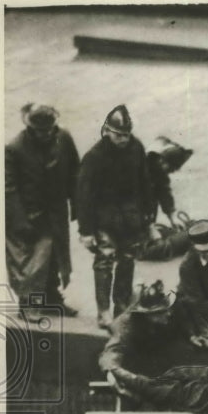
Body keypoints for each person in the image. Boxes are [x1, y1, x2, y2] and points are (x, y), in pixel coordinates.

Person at [76, 104, 155, 329]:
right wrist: (86, 231)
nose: (123, 139)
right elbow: (84, 196)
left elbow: (145, 183)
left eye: (126, 135)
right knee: (104, 262)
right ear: (107, 131)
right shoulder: (94, 157)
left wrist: (149, 219)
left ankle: (121, 308)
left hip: (131, 219)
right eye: (119, 135)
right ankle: (103, 312)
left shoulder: (136, 147)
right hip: (104, 220)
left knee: (128, 260)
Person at [5, 103, 79, 320]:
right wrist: (20, 221)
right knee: (31, 265)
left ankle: (52, 299)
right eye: (40, 131)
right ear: (30, 128)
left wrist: (77, 206)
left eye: (49, 130)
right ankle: (29, 305)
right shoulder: (14, 147)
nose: (46, 134)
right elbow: (8, 189)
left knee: (56, 257)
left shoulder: (63, 138)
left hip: (55, 211)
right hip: (28, 216)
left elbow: (75, 172)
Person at [98, 280, 208, 386]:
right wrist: (112, 371)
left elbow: (182, 317)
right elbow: (112, 351)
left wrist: (192, 336)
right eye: (162, 312)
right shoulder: (128, 326)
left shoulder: (171, 310)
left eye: (167, 309)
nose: (168, 314)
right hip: (142, 349)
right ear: (149, 315)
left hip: (159, 343)